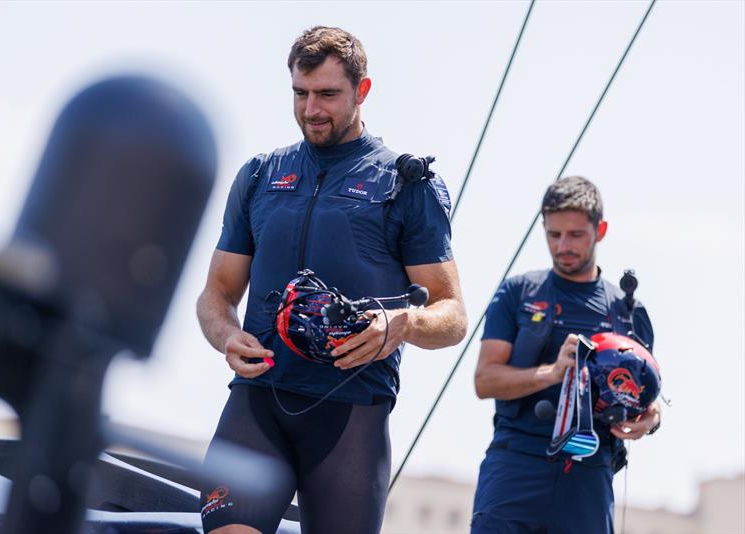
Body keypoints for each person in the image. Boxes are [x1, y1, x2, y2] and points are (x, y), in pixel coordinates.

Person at [196, 26, 467, 534]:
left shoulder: (409, 186)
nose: (311, 109)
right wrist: (226, 335)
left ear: (362, 91)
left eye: (327, 94)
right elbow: (217, 293)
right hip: (259, 397)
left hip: (351, 412)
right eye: (300, 93)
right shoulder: (259, 175)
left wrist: (402, 323)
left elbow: (453, 316)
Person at [470, 176, 661, 533]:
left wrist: (649, 422)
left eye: (575, 235)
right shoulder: (518, 292)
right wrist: (553, 372)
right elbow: (485, 381)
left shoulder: (629, 312)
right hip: (516, 464)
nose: (562, 246)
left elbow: (646, 399)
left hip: (590, 475)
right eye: (553, 235)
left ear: (600, 230)